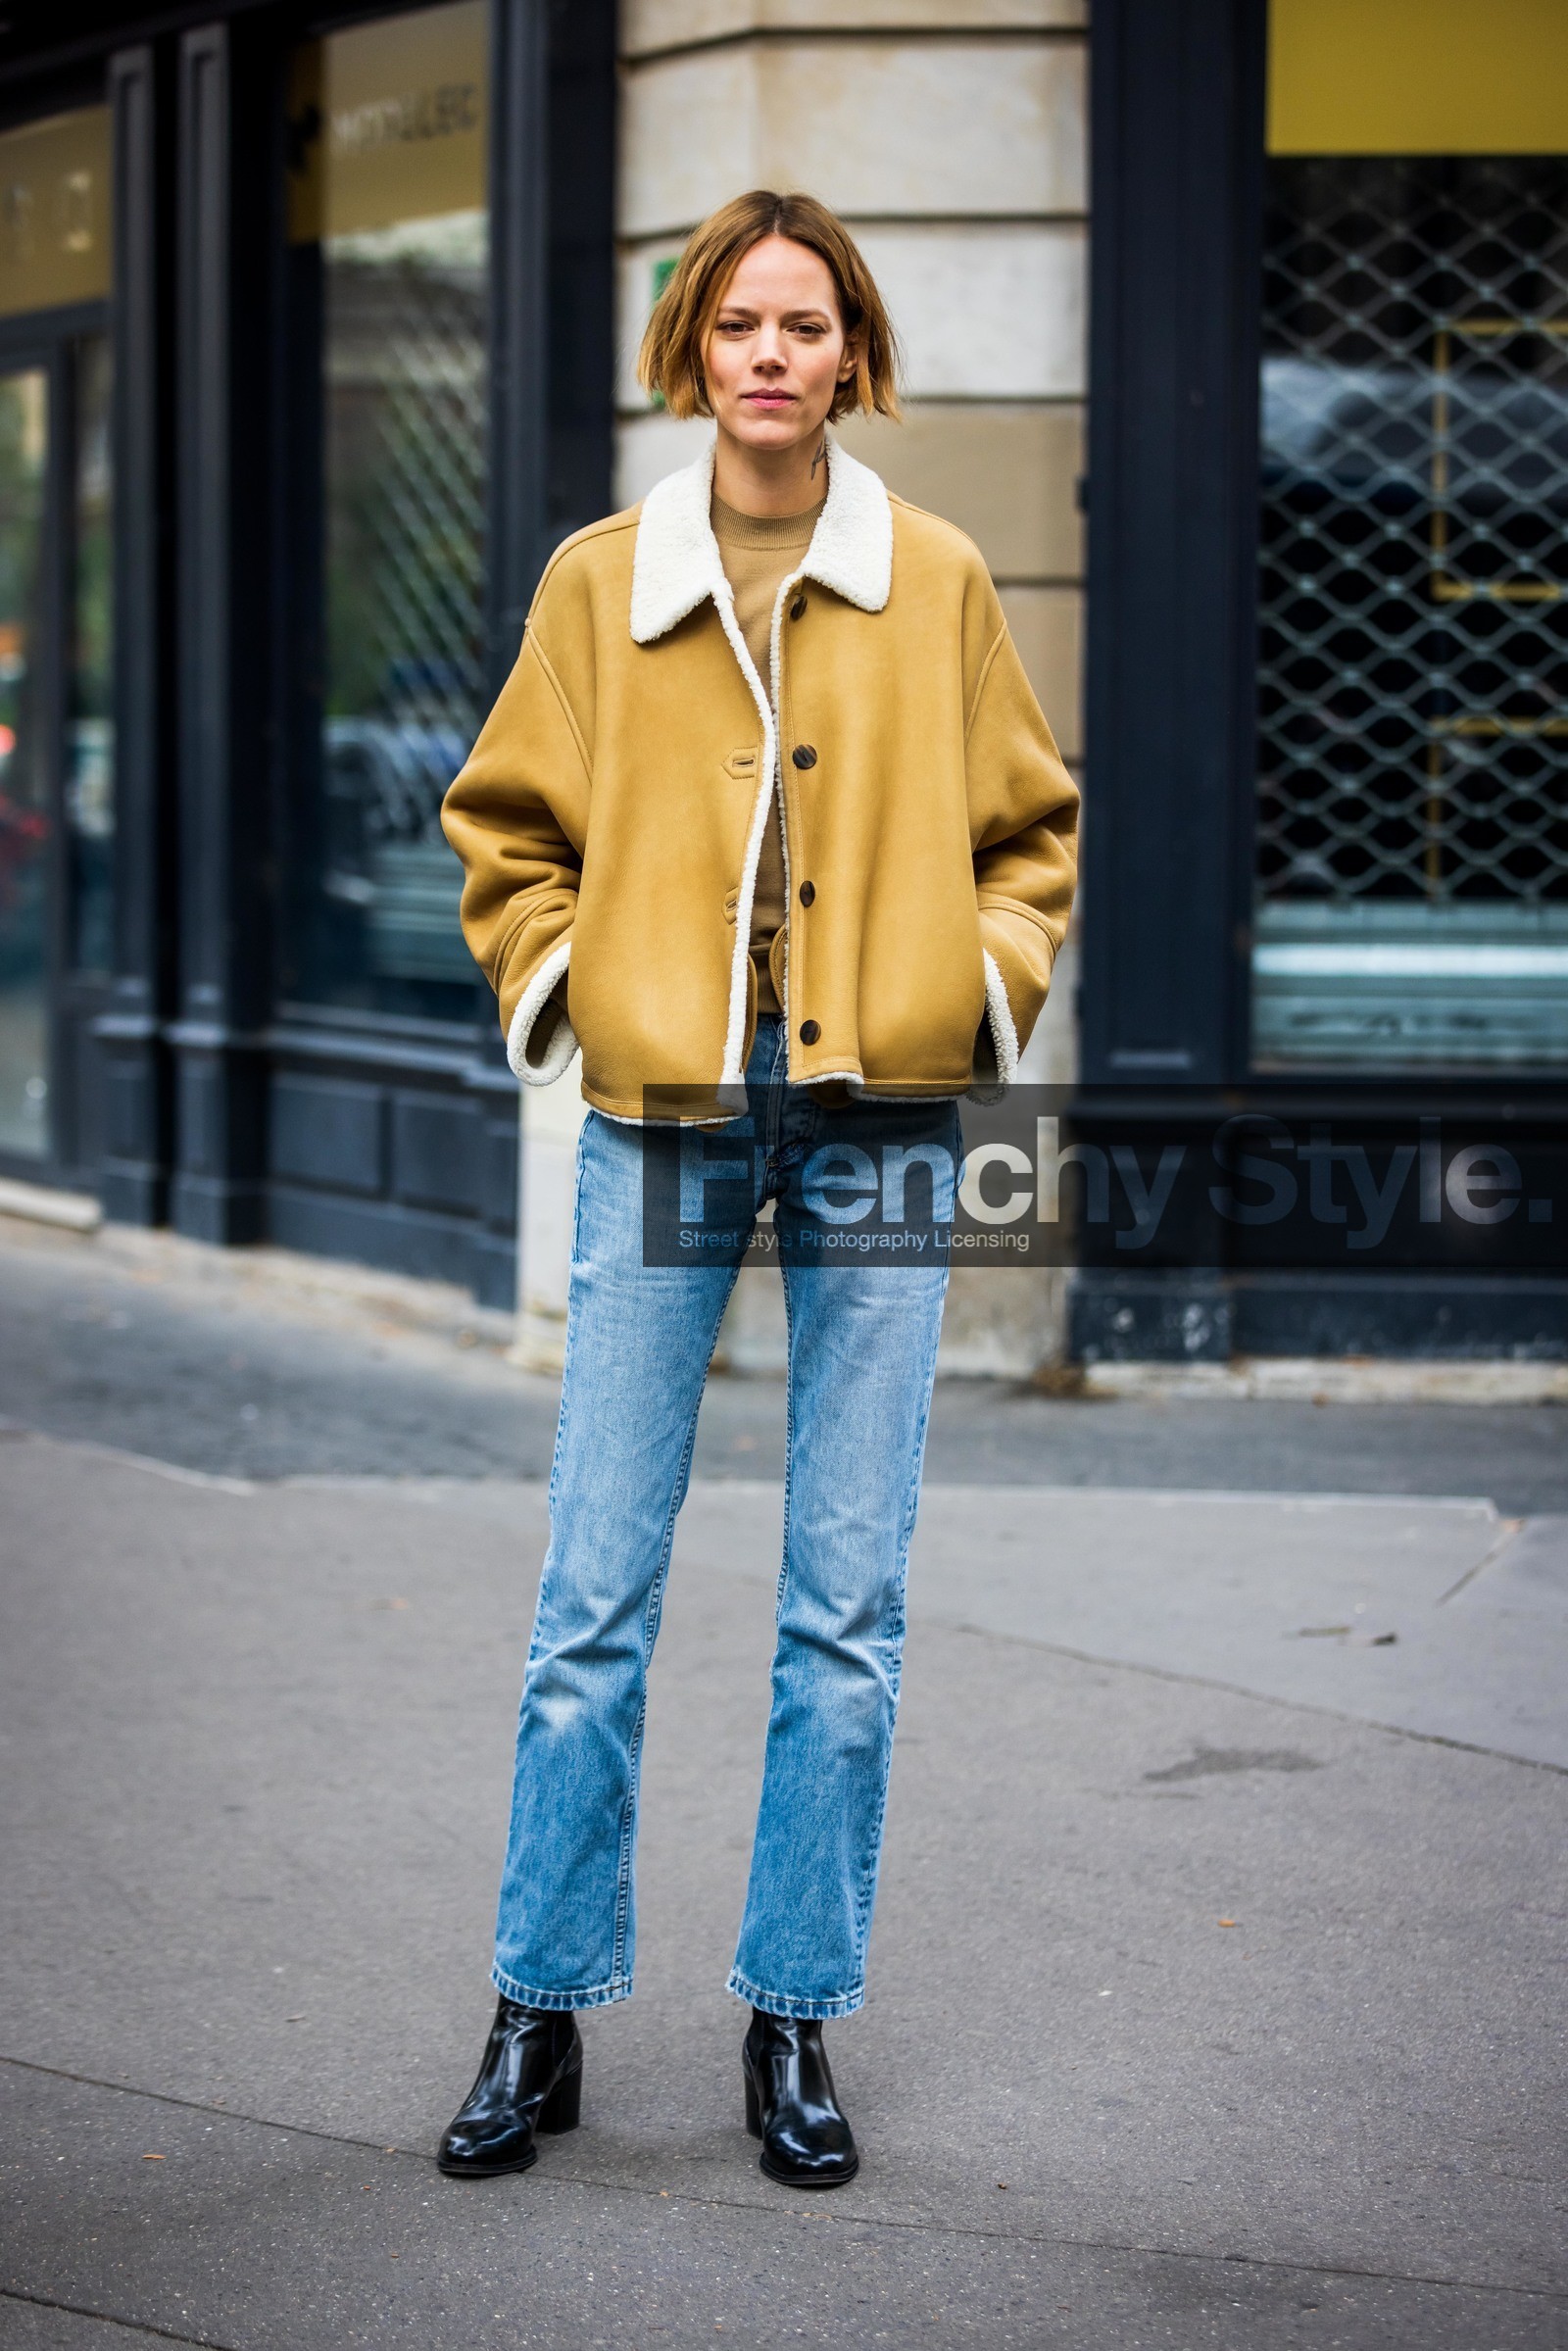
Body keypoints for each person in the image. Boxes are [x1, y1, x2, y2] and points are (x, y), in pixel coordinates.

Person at [437, 189, 1078, 2189]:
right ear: (691, 351)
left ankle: (791, 2015)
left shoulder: (935, 576)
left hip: (880, 1127)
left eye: (805, 323)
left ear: (850, 352)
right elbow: (505, 832)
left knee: (847, 1603)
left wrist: (971, 992)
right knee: (593, 1593)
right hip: (668, 1125)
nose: (771, 354)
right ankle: (536, 2009)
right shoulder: (601, 580)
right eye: (738, 323)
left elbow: (1029, 836)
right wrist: (584, 992)